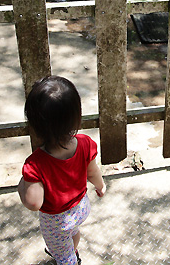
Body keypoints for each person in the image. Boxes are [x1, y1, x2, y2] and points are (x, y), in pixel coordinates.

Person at [18, 76, 106, 265]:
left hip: (56, 222)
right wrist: (100, 186)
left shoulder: (35, 164)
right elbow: (93, 172)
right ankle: (72, 251)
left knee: (64, 256)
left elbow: (33, 203)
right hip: (81, 208)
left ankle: (69, 259)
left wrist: (22, 184)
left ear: (34, 123)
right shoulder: (85, 143)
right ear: (76, 117)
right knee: (72, 233)